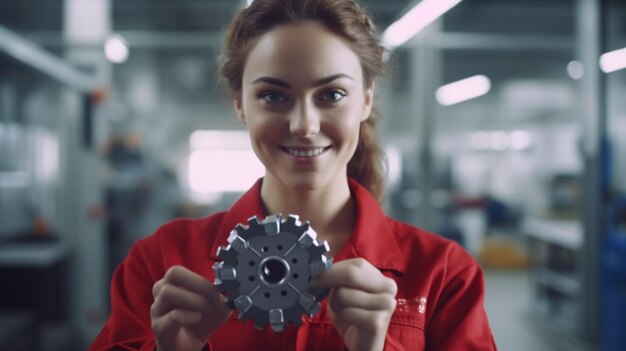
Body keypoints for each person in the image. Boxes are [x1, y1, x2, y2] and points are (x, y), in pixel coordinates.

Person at [89, 0, 497, 350]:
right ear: (240, 104)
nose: (304, 124)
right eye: (273, 96)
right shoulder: (162, 262)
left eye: (332, 95)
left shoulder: (444, 275)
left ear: (366, 99)